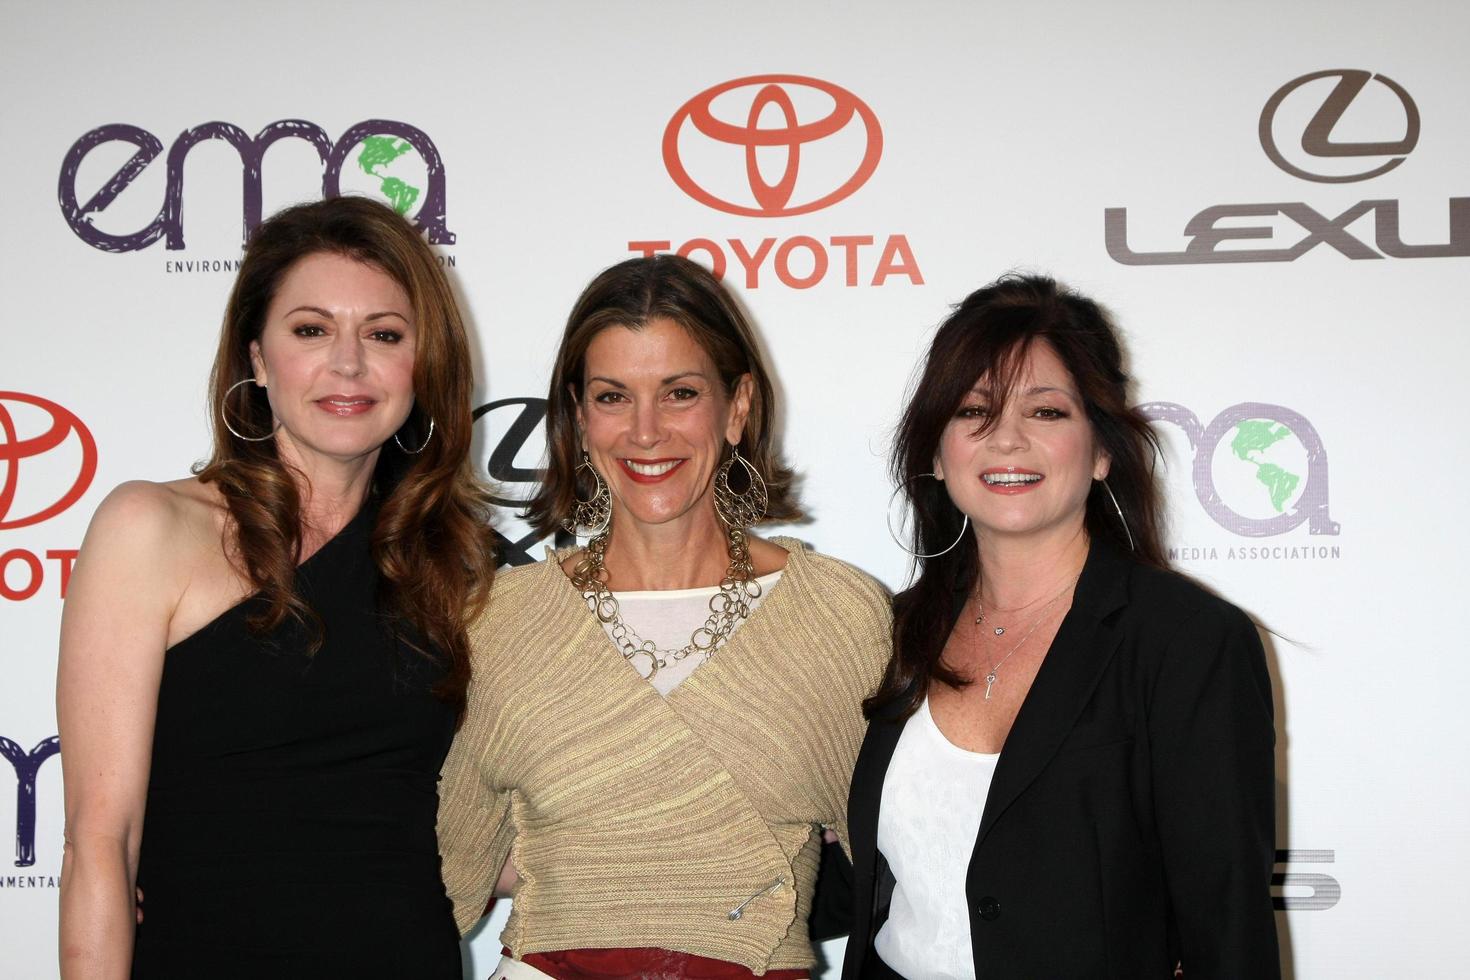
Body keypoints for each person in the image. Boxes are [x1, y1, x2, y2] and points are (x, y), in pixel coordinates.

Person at [57, 196, 495, 979]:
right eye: (311, 330)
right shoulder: (150, 528)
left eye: (385, 335)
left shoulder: (462, 567)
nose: (349, 364)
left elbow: (503, 821)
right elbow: (99, 840)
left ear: (423, 365)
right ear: (257, 357)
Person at [437, 254, 890, 980]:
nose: (646, 432)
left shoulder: (838, 616)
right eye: (613, 397)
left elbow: (896, 862)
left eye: (679, 393)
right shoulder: (500, 620)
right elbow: (450, 876)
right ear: (580, 418)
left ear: (737, 407)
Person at [841, 274, 1280, 979]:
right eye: (973, 410)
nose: (1006, 439)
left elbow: (1227, 922)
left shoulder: (1187, 641)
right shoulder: (888, 633)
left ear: (1102, 450)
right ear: (934, 452)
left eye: (1046, 412)